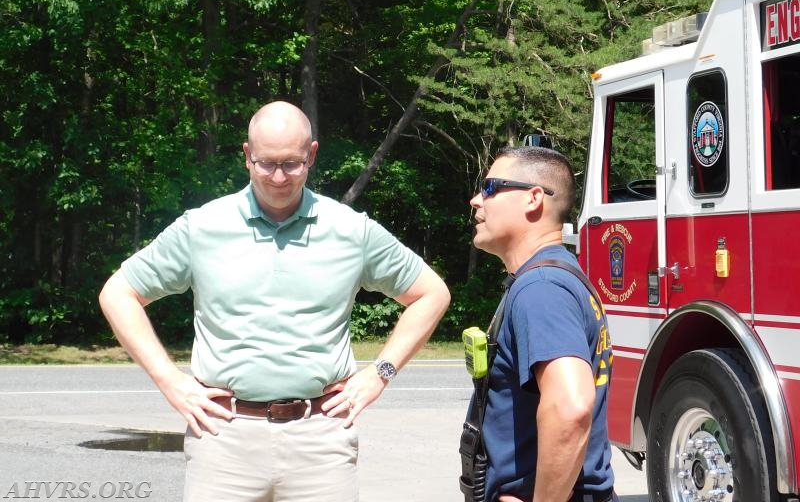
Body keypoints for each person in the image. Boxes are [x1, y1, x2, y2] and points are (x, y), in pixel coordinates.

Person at [99, 100, 450, 502]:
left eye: (292, 163)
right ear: (247, 157)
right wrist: (170, 381)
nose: (279, 177)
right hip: (223, 438)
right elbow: (119, 292)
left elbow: (431, 293)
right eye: (267, 163)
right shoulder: (202, 227)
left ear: (312, 155)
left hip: (321, 441)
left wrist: (380, 373)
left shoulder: (352, 231)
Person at [466, 145, 616, 502]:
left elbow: (571, 408)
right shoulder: (553, 276)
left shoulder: (542, 288)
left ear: (534, 199)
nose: (476, 200)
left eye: (489, 188)